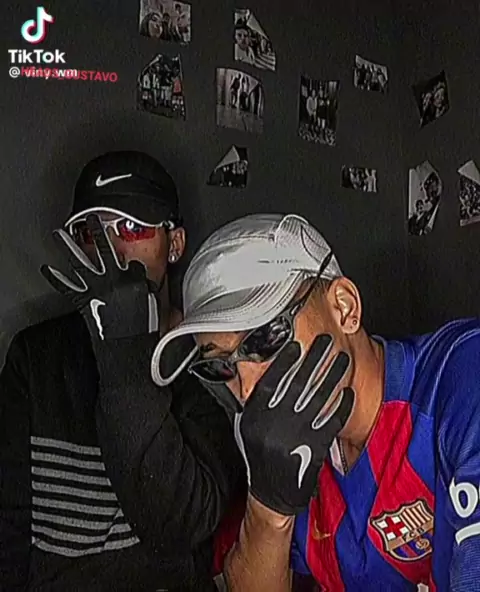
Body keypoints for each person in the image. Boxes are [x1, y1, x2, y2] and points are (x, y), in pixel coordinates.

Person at [151, 212, 480, 591]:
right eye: (221, 366)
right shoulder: (288, 459)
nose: (248, 388)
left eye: (265, 339)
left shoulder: (461, 380)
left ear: (344, 308)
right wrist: (269, 509)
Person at [0, 150, 243, 591]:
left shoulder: (209, 360)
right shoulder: (36, 358)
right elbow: (9, 526)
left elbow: (182, 526)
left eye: (132, 228)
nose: (111, 249)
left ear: (174, 244)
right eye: (90, 233)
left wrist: (125, 360)